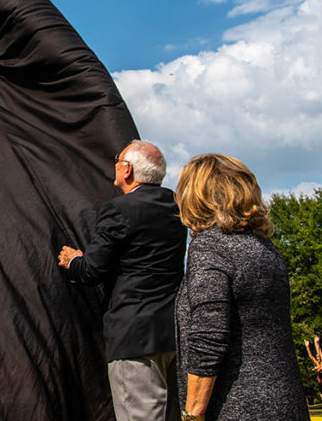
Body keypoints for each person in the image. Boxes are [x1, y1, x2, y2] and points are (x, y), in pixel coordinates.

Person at [57, 140, 187, 421]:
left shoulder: (119, 209)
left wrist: (74, 260)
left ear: (127, 169)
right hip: (174, 332)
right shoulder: (178, 207)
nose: (114, 165)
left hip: (134, 336)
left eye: (118, 160)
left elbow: (92, 270)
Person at [173, 153, 308, 421]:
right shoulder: (266, 248)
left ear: (196, 195)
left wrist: (192, 414)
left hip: (237, 405)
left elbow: (209, 336)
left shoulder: (210, 246)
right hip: (286, 400)